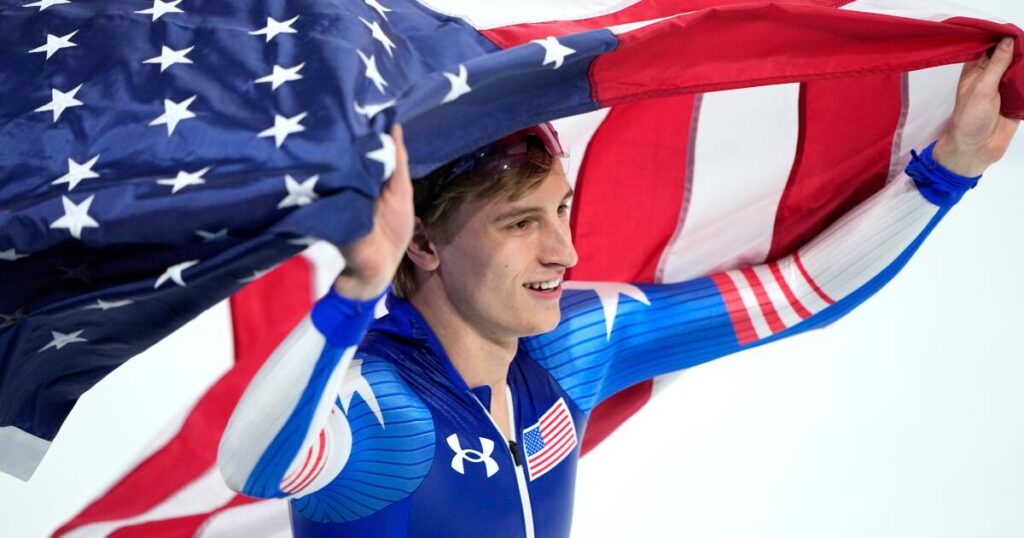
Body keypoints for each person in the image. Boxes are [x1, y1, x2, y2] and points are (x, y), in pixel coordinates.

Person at [217, 39, 1019, 538]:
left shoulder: (573, 345)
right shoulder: (384, 412)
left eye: (561, 210)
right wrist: (354, 292)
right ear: (422, 241)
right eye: (519, 223)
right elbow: (249, 464)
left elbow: (797, 295)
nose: (565, 250)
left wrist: (949, 172)